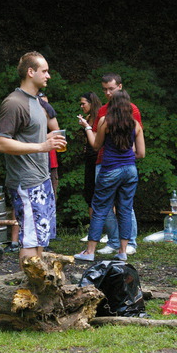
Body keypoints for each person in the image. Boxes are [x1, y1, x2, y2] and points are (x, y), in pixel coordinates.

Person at [0, 51, 66, 262]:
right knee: (30, 240)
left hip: (42, 179)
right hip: (26, 183)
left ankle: (38, 287)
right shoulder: (14, 103)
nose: (48, 75)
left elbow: (27, 137)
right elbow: (0, 143)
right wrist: (43, 145)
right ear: (30, 72)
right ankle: (28, 291)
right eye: (44, 71)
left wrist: (47, 137)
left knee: (40, 238)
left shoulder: (36, 101)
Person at [74, 90, 145, 262]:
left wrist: (88, 128)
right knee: (125, 210)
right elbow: (141, 153)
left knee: (99, 209)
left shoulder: (106, 121)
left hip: (110, 170)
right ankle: (123, 251)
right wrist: (127, 157)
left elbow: (96, 146)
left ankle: (90, 252)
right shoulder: (135, 124)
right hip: (130, 170)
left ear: (112, 105)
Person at [91, 73, 141, 256]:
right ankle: (114, 242)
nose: (108, 93)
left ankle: (129, 243)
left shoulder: (132, 110)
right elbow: (99, 137)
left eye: (111, 89)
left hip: (119, 163)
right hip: (105, 162)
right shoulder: (102, 110)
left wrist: (128, 156)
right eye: (104, 89)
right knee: (110, 207)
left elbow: (135, 136)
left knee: (121, 206)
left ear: (120, 87)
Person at [77, 92, 106, 243]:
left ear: (91, 103)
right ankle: (94, 232)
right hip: (89, 159)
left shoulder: (99, 119)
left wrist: (87, 126)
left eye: (84, 103)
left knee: (104, 195)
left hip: (98, 159)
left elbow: (96, 142)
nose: (82, 107)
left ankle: (109, 232)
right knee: (90, 195)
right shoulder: (88, 118)